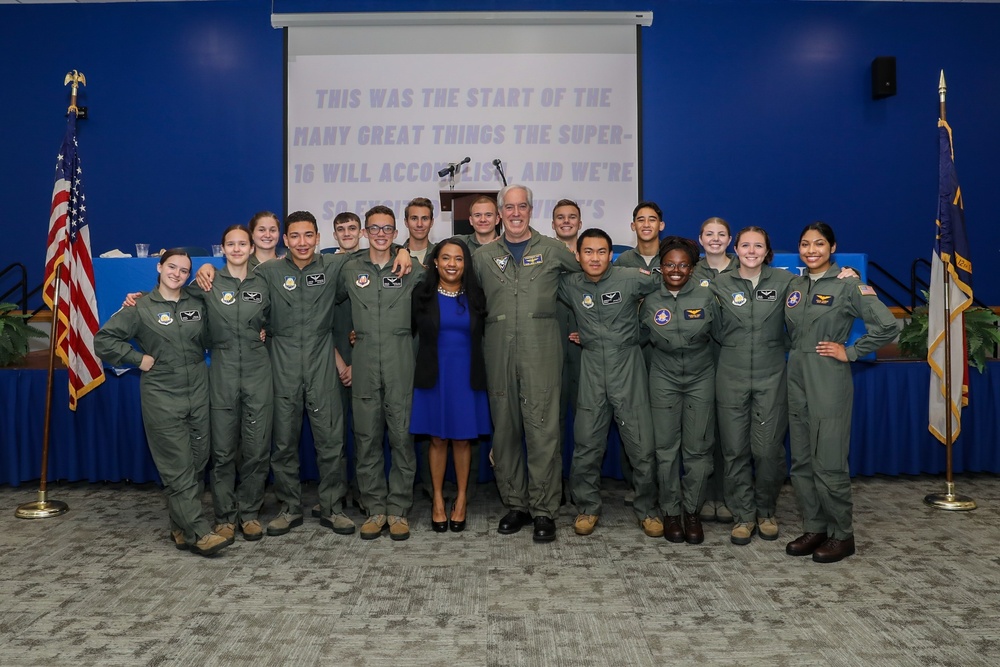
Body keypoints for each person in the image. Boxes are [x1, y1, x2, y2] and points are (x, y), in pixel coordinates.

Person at [195, 211, 411, 538]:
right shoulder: (266, 272)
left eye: (309, 235)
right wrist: (206, 267)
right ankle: (289, 507)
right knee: (283, 441)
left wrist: (402, 250)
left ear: (318, 238)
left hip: (321, 358)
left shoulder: (335, 266)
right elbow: (228, 283)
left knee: (331, 441)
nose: (302, 242)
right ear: (285, 240)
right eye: (295, 236)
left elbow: (376, 258)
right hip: (280, 362)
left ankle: (333, 507)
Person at [95, 250, 229, 557]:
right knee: (178, 466)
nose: (177, 274)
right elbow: (104, 340)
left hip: (198, 391)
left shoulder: (196, 303)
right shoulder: (140, 306)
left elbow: (213, 333)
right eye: (172, 267)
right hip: (161, 396)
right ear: (159, 267)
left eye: (184, 270)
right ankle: (198, 532)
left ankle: (179, 527)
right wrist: (137, 359)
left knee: (197, 462)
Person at [472, 184, 580, 542]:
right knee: (504, 430)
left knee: (543, 430)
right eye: (509, 208)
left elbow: (587, 283)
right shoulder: (483, 256)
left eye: (522, 207)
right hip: (498, 350)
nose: (515, 213)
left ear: (531, 211)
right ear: (499, 213)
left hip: (542, 351)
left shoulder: (554, 251)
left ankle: (545, 509)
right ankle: (516, 504)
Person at [784, 222, 897, 563]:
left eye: (819, 243)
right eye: (805, 244)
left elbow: (887, 326)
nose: (811, 250)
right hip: (797, 376)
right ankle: (816, 526)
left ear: (833, 247)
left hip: (829, 378)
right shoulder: (795, 284)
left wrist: (850, 351)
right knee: (802, 461)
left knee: (829, 461)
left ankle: (842, 535)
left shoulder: (849, 285)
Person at [557, 228, 661, 537]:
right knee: (587, 442)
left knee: (641, 445)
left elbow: (668, 288)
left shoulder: (632, 277)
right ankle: (587, 507)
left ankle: (648, 510)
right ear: (578, 255)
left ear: (611, 255)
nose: (595, 257)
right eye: (588, 251)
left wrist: (643, 334)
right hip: (591, 367)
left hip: (627, 364)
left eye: (602, 251)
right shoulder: (570, 283)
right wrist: (581, 332)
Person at [336, 206, 423, 540]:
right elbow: (330, 307)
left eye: (388, 229)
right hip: (366, 357)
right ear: (365, 232)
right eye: (375, 228)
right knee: (367, 437)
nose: (381, 234)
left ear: (395, 231)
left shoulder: (412, 269)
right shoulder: (348, 269)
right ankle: (374, 508)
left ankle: (398, 509)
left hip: (401, 357)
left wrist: (406, 253)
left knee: (402, 437)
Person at [710, 226, 793, 546]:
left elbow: (806, 308)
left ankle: (766, 512)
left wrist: (849, 276)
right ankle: (743, 515)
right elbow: (712, 327)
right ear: (736, 248)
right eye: (746, 245)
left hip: (771, 375)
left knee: (768, 450)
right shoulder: (719, 285)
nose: (751, 250)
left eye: (758, 245)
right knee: (734, 450)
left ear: (767, 250)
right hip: (730, 375)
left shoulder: (786, 282)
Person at [640, 236, 720, 544]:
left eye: (683, 265)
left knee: (698, 450)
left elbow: (724, 333)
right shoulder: (648, 299)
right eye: (670, 264)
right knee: (665, 450)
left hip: (701, 376)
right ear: (660, 267)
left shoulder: (708, 296)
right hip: (663, 376)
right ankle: (671, 513)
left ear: (692, 268)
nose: (676, 270)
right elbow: (634, 334)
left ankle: (692, 513)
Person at [411, 238, 491, 533]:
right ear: (435, 262)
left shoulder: (477, 296)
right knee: (437, 440)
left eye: (458, 259)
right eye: (446, 258)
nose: (452, 264)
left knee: (462, 439)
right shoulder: (422, 294)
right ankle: (437, 501)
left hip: (466, 377)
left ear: (465, 263)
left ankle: (460, 500)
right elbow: (403, 328)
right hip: (434, 376)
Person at [613, 201, 666, 505]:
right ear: (632, 226)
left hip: (662, 348)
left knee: (661, 418)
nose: (646, 224)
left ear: (662, 225)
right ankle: (636, 483)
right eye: (640, 220)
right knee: (629, 416)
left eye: (652, 219)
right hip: (630, 348)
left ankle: (663, 484)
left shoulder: (673, 258)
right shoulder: (621, 263)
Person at [690, 217, 738, 524]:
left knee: (730, 433)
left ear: (730, 239)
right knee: (702, 430)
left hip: (733, 359)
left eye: (721, 234)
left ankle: (729, 497)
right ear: (700, 239)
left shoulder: (744, 268)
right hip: (700, 359)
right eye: (710, 234)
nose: (715, 239)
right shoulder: (690, 271)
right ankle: (705, 496)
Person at [550, 199, 583, 504]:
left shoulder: (592, 257)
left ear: (580, 223)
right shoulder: (545, 257)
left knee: (586, 419)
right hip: (552, 347)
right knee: (554, 419)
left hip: (587, 352)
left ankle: (583, 482)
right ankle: (556, 481)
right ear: (552, 224)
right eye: (560, 217)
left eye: (572, 217)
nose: (566, 221)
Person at [403, 196, 436, 267]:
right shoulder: (395, 254)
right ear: (406, 222)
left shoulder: (439, 254)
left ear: (432, 222)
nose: (419, 224)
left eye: (425, 219)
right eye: (414, 219)